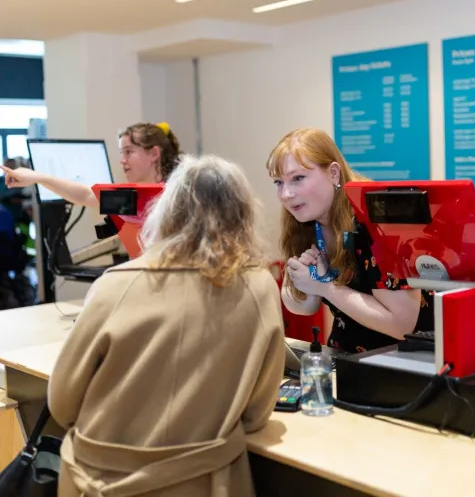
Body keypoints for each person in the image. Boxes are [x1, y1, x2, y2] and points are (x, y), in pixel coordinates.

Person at [47, 154, 285, 496]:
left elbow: (62, 404)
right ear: (243, 215)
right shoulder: (259, 287)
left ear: (167, 211)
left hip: (99, 483)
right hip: (206, 484)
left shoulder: (115, 284)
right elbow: (257, 411)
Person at [266, 128, 434, 354]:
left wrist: (325, 286)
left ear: (333, 174)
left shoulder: (378, 222)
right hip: (349, 357)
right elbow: (305, 306)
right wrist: (306, 280)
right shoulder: (305, 220)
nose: (286, 194)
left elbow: (401, 325)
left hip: (408, 362)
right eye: (278, 182)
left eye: (298, 178)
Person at [0, 122, 182, 208]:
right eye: (121, 153)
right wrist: (38, 177)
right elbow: (86, 195)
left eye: (129, 152)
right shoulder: (135, 199)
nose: (122, 160)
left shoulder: (180, 196)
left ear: (154, 154)